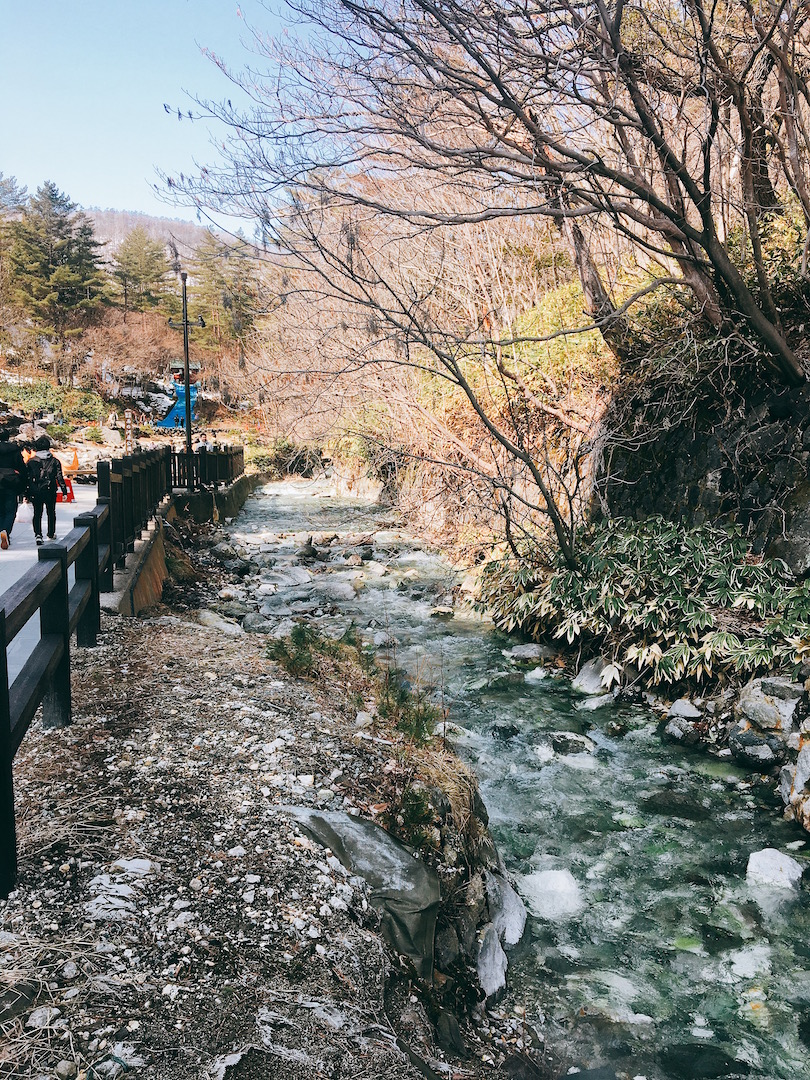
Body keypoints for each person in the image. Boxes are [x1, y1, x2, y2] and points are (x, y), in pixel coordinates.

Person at [26, 436, 68, 545]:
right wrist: (64, 491)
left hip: (35, 490)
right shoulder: (55, 461)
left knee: (37, 512)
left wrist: (25, 493)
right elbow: (59, 477)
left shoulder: (31, 461)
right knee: (51, 512)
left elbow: (27, 478)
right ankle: (51, 533)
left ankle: (38, 535)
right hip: (50, 489)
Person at [0, 428, 27, 549]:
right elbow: (22, 468)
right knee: (10, 510)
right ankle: (6, 531)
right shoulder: (14, 450)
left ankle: (1, 530)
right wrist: (23, 485)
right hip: (11, 482)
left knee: (0, 511)